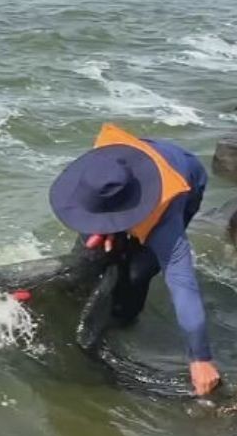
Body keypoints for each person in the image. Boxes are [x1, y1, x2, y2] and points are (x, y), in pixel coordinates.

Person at [47, 124, 221, 397]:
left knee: (136, 274)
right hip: (129, 175)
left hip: (183, 180)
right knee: (88, 256)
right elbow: (99, 202)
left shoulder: (166, 221)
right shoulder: (100, 173)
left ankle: (122, 319)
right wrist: (106, 230)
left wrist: (200, 358)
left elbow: (182, 284)